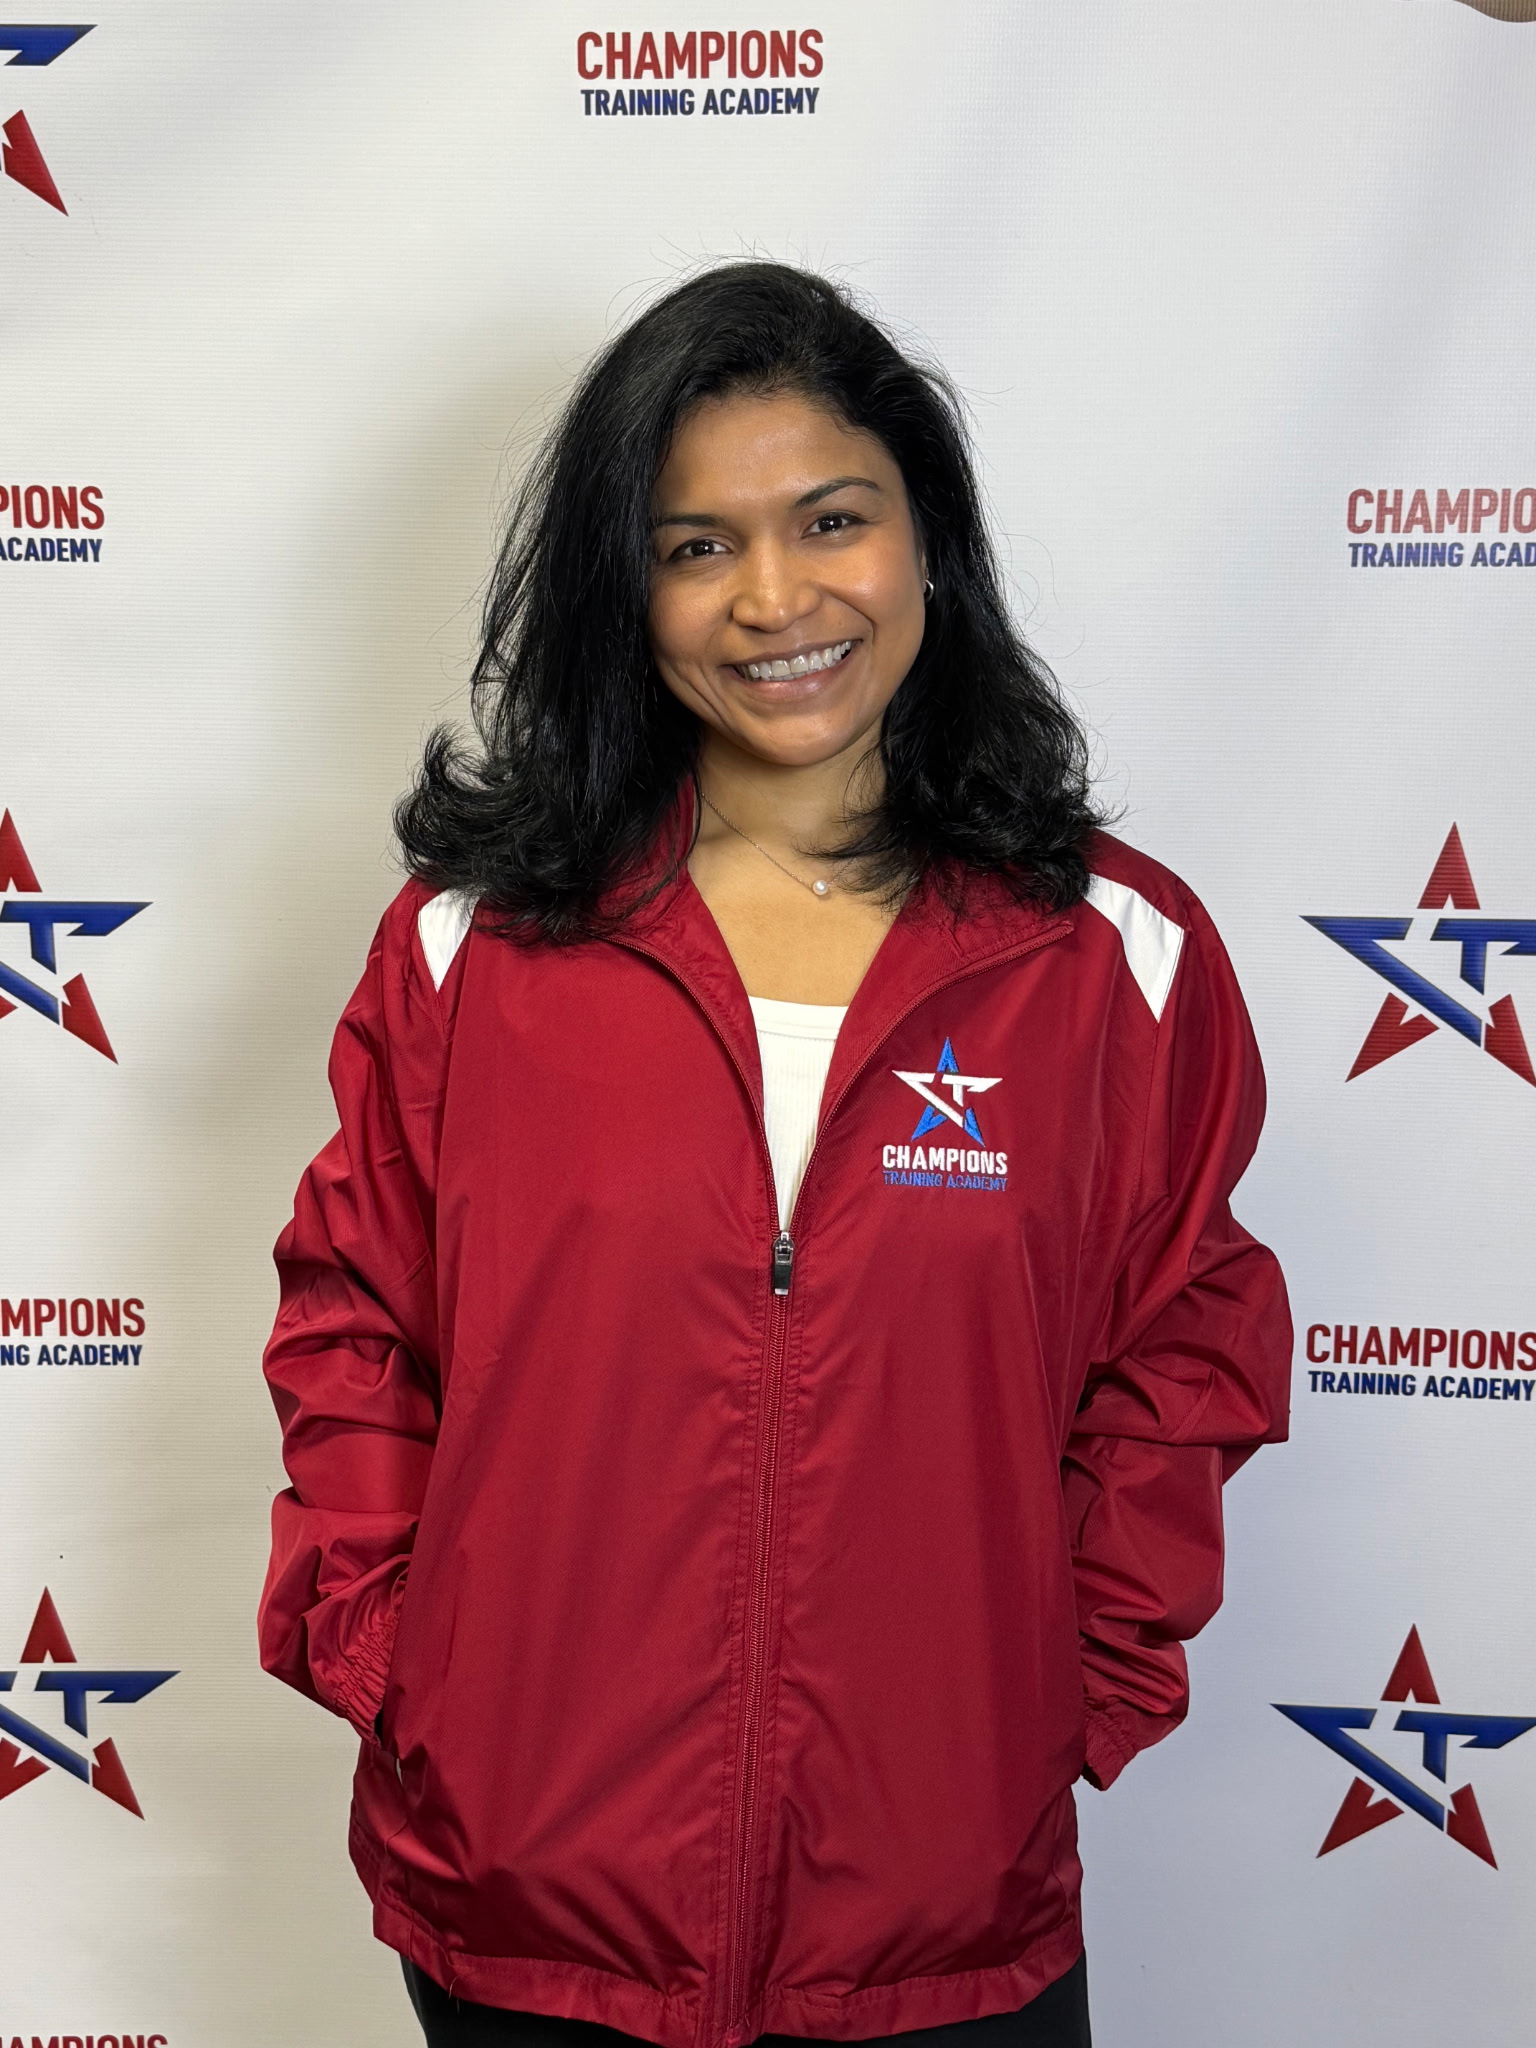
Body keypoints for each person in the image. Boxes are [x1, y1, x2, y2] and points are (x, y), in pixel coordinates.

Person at [257, 262, 1290, 2048]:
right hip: (527, 1907)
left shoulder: (1116, 959)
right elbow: (353, 1326)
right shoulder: (473, 946)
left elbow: (1185, 1348)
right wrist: (407, 1668)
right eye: (697, 546)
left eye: (832, 520)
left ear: (927, 542)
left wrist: (1066, 1690)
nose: (776, 597)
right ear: (627, 588)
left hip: (941, 1922)